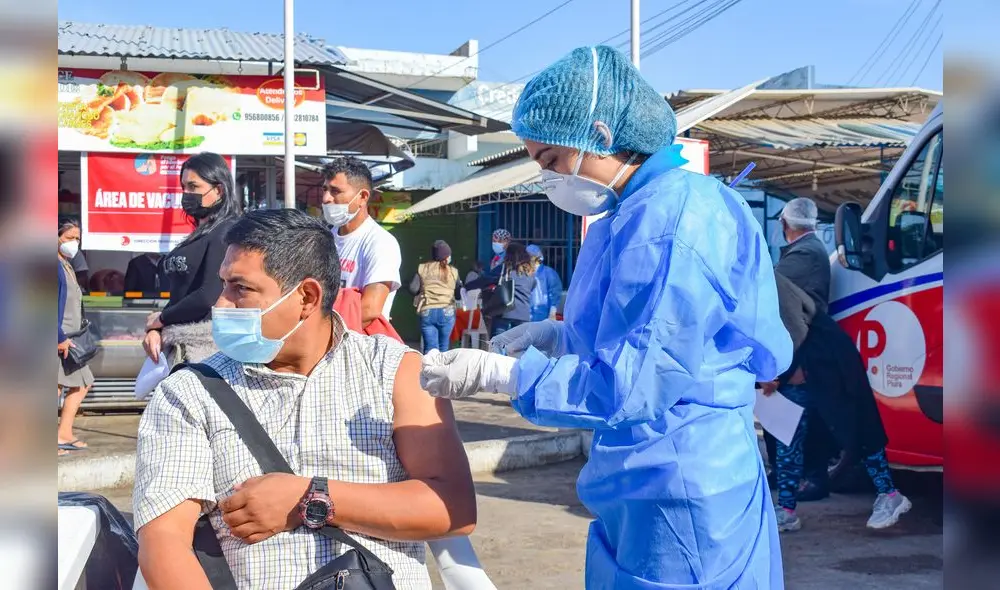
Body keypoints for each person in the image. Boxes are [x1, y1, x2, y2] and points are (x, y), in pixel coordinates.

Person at [420, 46, 791, 588]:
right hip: (641, 471)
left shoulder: (672, 217)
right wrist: (559, 336)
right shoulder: (630, 213)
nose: (547, 178)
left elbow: (637, 381)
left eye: (551, 160)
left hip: (681, 477)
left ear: (600, 132)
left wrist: (505, 375)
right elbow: (631, 332)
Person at [133, 209, 476, 589]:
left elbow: (453, 507)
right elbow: (164, 541)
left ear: (307, 297)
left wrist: (309, 498)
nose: (221, 305)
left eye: (240, 289)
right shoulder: (188, 393)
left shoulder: (395, 372)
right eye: (223, 285)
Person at [763, 274, 912, 532]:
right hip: (798, 361)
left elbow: (796, 328)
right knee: (788, 436)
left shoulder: (765, 279)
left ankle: (889, 495)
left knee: (854, 424)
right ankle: (786, 510)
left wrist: (780, 372)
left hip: (821, 355)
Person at [143, 152, 242, 365]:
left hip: (204, 347)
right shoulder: (201, 233)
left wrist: (161, 319)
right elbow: (182, 293)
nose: (186, 193)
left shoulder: (228, 231)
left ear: (218, 190)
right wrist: (158, 329)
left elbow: (209, 294)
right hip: (180, 341)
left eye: (193, 186)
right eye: (184, 187)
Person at [771, 196, 836, 501]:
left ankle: (807, 481)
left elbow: (769, 285)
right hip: (799, 343)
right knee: (781, 418)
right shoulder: (806, 250)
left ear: (785, 223)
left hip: (803, 345)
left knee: (794, 422)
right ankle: (787, 476)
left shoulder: (805, 253)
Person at [321, 157, 402, 325]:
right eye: (325, 189)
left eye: (335, 191)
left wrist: (319, 330)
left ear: (363, 197)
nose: (326, 198)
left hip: (357, 339)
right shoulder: (325, 238)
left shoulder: (381, 243)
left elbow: (369, 310)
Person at [57, 218, 94, 456]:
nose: (74, 243)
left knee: (83, 382)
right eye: (69, 238)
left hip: (71, 337)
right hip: (58, 337)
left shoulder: (66, 265)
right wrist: (58, 337)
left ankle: (64, 433)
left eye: (77, 239)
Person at [466, 242, 536, 338]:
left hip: (504, 313)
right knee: (520, 345)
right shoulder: (530, 274)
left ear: (509, 255)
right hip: (523, 316)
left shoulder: (504, 270)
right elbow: (532, 287)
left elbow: (484, 280)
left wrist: (466, 287)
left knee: (498, 344)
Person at [409, 240, 462, 354]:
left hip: (427, 310)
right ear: (447, 257)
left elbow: (413, 288)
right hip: (447, 311)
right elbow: (458, 294)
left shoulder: (423, 268)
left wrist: (421, 292)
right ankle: (442, 365)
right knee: (443, 348)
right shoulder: (453, 271)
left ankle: (429, 366)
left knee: (430, 349)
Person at [526, 244, 563, 322]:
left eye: (532, 257)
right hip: (526, 315)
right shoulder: (524, 272)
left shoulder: (549, 273)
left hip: (543, 314)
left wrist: (552, 312)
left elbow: (555, 293)